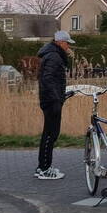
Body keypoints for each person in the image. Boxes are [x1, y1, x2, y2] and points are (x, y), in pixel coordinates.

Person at [35, 30, 74, 180]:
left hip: (51, 99)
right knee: (52, 133)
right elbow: (48, 79)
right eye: (67, 43)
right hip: (51, 101)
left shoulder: (51, 54)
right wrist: (57, 99)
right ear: (60, 42)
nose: (68, 46)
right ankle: (44, 168)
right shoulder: (54, 56)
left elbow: (52, 80)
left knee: (49, 133)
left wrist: (61, 95)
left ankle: (42, 167)